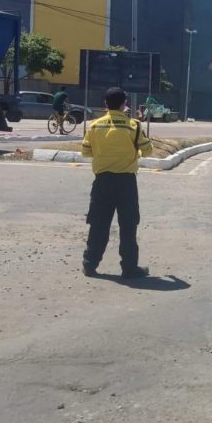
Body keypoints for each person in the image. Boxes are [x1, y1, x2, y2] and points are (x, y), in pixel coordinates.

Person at [81, 87, 153, 279]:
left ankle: (90, 265)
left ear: (105, 103)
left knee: (98, 225)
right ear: (124, 104)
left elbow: (86, 152)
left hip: (102, 182)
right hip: (126, 183)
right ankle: (129, 268)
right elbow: (148, 151)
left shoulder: (94, 126)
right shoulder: (134, 126)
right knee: (128, 226)